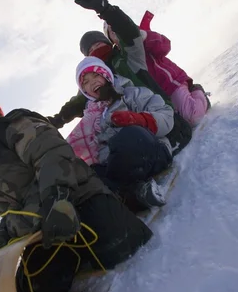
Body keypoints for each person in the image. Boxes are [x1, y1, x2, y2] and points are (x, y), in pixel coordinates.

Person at [0, 86, 153, 292]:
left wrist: (58, 199)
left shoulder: (13, 126)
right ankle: (72, 255)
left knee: (120, 246)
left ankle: (131, 196)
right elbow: (10, 213)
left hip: (78, 201)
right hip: (45, 230)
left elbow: (51, 153)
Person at [48, 0, 192, 156]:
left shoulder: (128, 59)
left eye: (99, 43)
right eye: (91, 48)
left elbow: (130, 34)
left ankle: (164, 145)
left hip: (161, 119)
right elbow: (76, 103)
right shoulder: (91, 81)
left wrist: (105, 9)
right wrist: (56, 120)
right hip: (122, 132)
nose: (96, 47)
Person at [67, 57, 174, 209]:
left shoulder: (131, 94)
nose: (92, 82)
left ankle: (124, 192)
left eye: (96, 75)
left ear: (106, 75)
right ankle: (134, 195)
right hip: (119, 168)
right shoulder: (92, 118)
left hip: (152, 151)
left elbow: (167, 116)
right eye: (85, 82)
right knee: (89, 174)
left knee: (127, 136)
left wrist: (139, 119)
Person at [104, 10, 210, 126]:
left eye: (116, 26)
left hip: (170, 83)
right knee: (174, 123)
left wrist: (144, 36)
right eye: (111, 31)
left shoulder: (140, 37)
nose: (115, 30)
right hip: (155, 95)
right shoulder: (119, 60)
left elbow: (165, 45)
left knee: (192, 117)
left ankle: (197, 91)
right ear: (111, 40)